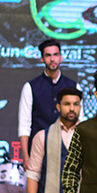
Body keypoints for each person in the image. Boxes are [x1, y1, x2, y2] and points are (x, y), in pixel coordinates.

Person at [18, 40, 78, 170]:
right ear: (42, 59)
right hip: (38, 151)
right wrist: (26, 157)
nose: (52, 59)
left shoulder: (74, 86)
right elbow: (24, 125)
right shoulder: (30, 87)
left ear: (61, 57)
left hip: (66, 152)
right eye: (48, 55)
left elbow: (79, 124)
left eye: (55, 54)